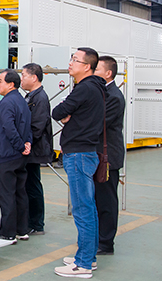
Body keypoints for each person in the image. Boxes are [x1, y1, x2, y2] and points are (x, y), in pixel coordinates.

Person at [52, 47, 106, 278]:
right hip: (85, 152)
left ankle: (82, 265)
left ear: (87, 66)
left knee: (83, 210)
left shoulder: (84, 88)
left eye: (75, 60)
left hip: (79, 154)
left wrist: (67, 114)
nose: (71, 63)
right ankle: (88, 257)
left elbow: (58, 112)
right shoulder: (95, 88)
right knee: (88, 208)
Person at [0, 69, 32, 242]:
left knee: (6, 195)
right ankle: (22, 229)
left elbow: (9, 127)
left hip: (5, 155)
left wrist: (20, 145)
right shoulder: (21, 100)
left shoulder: (7, 103)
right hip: (19, 157)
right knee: (19, 193)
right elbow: (27, 125)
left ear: (11, 84)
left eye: (0, 81)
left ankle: (7, 233)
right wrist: (27, 143)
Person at [93, 56, 126, 255]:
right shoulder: (103, 93)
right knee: (97, 199)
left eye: (97, 69)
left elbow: (98, 123)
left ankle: (106, 243)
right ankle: (97, 238)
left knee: (106, 201)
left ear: (108, 73)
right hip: (98, 155)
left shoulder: (114, 96)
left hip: (108, 157)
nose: (93, 72)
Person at [21, 63, 53, 235]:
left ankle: (36, 223)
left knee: (32, 185)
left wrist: (26, 143)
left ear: (34, 78)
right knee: (29, 184)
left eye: (24, 75)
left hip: (34, 148)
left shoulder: (40, 98)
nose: (21, 79)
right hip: (31, 147)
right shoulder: (31, 96)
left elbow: (37, 126)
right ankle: (30, 221)